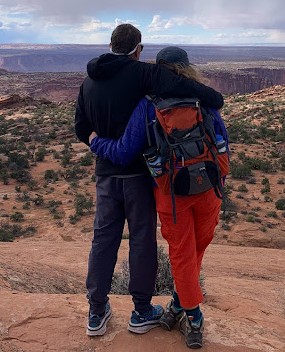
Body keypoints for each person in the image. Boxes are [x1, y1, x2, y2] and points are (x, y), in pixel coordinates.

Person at [74, 25, 224, 338]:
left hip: (122, 180)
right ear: (138, 49)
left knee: (104, 243)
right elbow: (213, 113)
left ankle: (96, 311)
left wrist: (93, 140)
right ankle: (148, 311)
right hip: (167, 181)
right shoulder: (148, 77)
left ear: (111, 44)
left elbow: (85, 130)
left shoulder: (91, 83)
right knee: (147, 244)